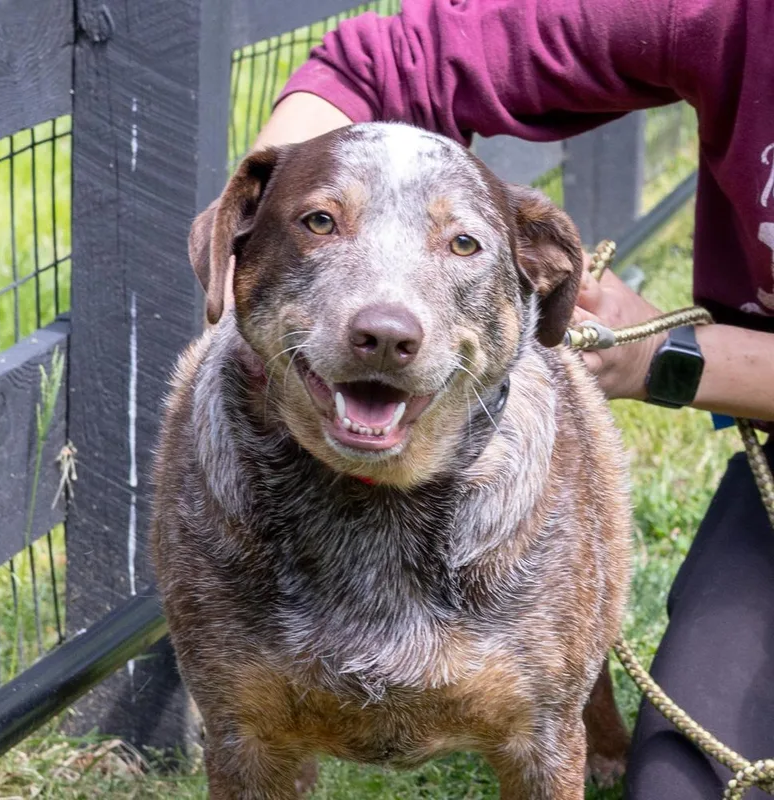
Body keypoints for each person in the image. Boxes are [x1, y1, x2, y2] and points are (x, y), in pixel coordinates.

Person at [249, 1, 774, 797]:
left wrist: (667, 360)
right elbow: (382, 60)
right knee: (688, 788)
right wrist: (279, 241)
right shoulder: (733, 17)